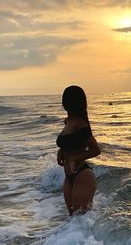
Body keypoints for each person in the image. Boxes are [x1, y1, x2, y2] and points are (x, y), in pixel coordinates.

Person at [56, 85, 101, 216]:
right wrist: (61, 152)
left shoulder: (80, 124)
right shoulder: (68, 122)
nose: (64, 102)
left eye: (67, 99)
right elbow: (70, 143)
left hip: (83, 174)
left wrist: (74, 159)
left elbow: (95, 150)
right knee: (73, 219)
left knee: (80, 220)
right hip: (69, 176)